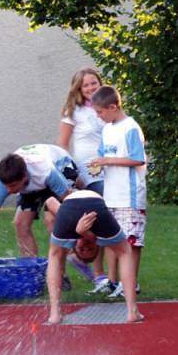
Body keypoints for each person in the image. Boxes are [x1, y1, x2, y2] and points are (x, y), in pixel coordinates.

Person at [0, 144, 77, 261]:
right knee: (20, 224)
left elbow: (70, 205)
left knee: (51, 220)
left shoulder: (47, 172)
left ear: (24, 177)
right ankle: (30, 268)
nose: (9, 190)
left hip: (63, 167)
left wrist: (78, 234)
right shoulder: (3, 183)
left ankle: (64, 265)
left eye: (13, 186)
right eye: (6, 186)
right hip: (33, 180)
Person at [42, 190, 142, 325]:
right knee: (125, 251)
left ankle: (54, 313)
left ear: (74, 246)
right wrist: (80, 231)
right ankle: (132, 311)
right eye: (90, 248)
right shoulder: (98, 236)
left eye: (82, 249)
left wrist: (53, 226)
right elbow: (93, 238)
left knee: (54, 255)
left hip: (70, 207)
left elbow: (49, 201)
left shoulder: (67, 220)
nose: (86, 245)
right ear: (97, 244)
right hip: (95, 206)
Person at [88, 85, 147, 300]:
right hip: (110, 195)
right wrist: (97, 164)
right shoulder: (107, 129)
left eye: (100, 112)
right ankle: (113, 281)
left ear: (113, 107)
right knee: (111, 239)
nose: (99, 116)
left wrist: (108, 160)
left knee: (131, 241)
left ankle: (130, 283)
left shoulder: (130, 128)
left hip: (129, 196)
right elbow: (103, 156)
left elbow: (138, 159)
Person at [57, 67, 110, 289]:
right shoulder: (73, 111)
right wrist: (72, 174)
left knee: (108, 218)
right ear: (78, 89)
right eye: (85, 85)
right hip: (87, 173)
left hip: (109, 168)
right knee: (99, 218)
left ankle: (94, 266)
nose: (90, 88)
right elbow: (62, 145)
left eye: (93, 83)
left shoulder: (107, 107)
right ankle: (99, 273)